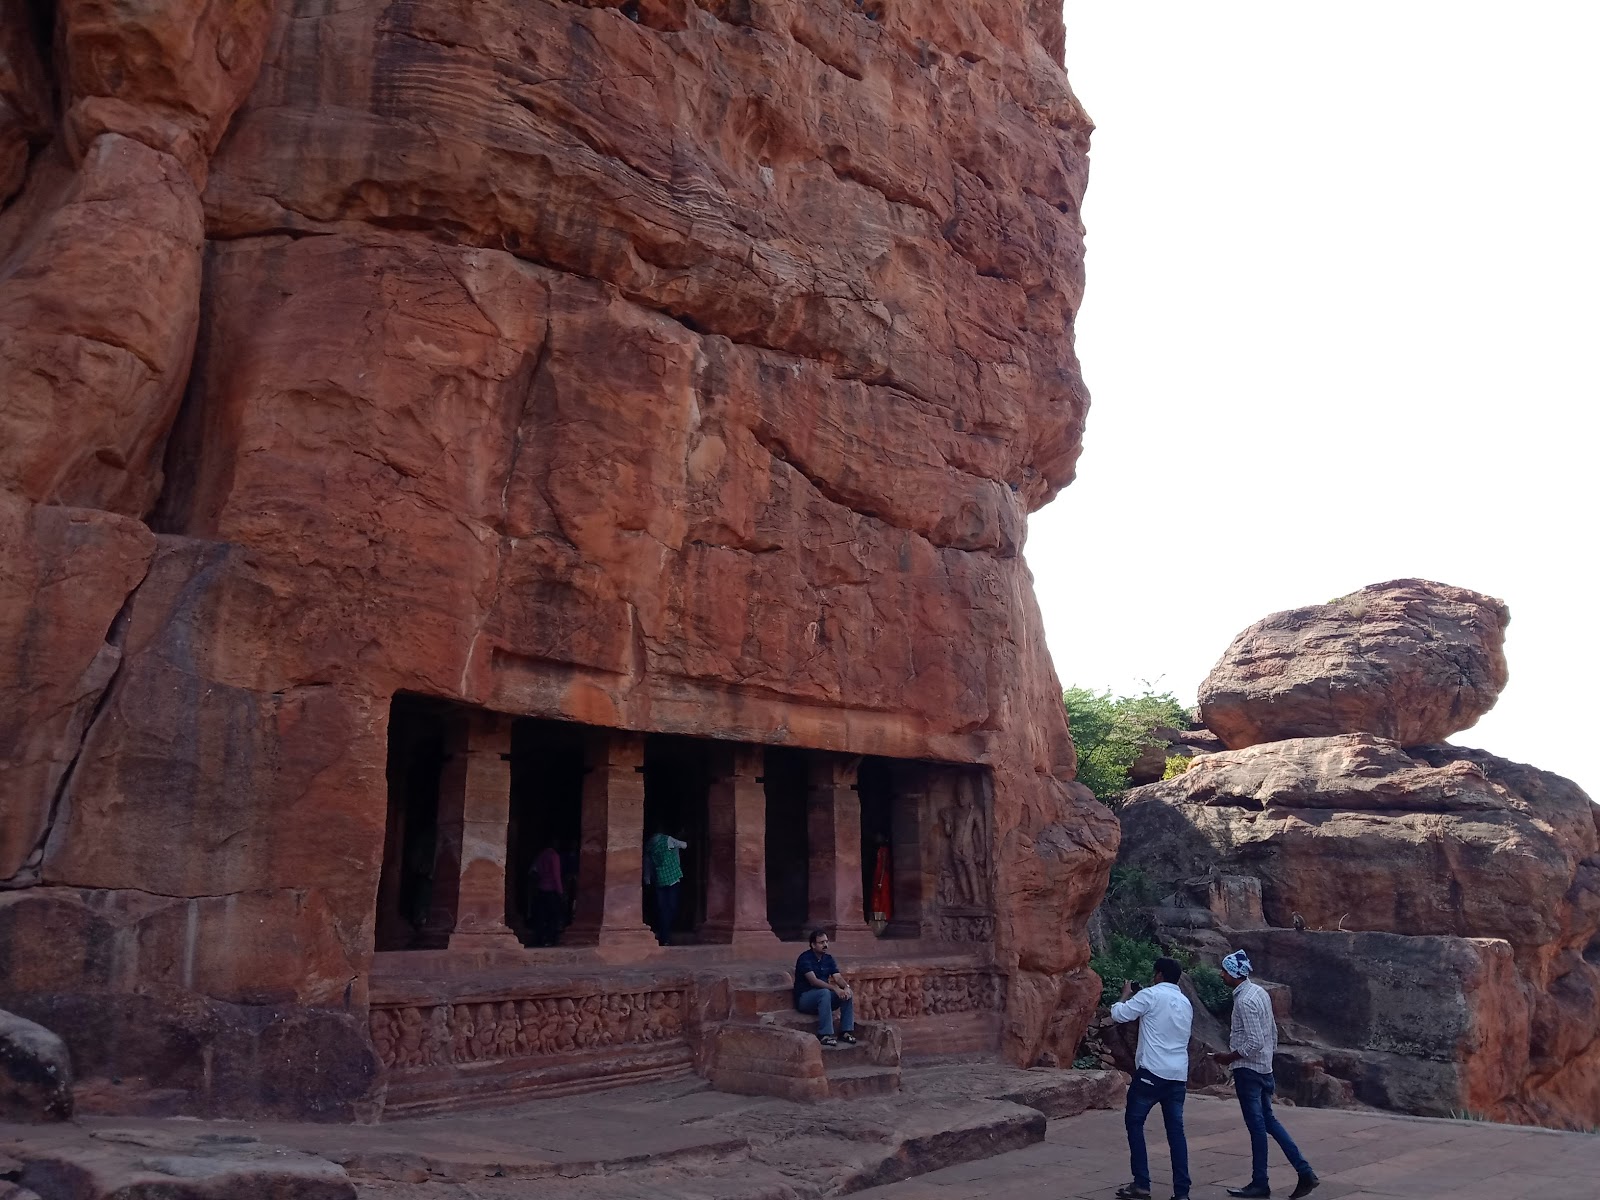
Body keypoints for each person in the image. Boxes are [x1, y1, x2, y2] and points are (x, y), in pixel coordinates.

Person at [1211, 950, 1319, 1199]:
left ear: (1235, 974)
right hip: (1263, 1069)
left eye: (1225, 971)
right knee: (1269, 1122)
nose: (1222, 975)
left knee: (1257, 1127)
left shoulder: (1245, 1001)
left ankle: (1261, 1182)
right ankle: (1304, 1172)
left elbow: (1255, 1042)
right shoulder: (1259, 992)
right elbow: (1271, 1032)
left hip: (1249, 1071)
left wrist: (1228, 1057)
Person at [1109, 956, 1193, 1200]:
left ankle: (1142, 1182)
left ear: (1159, 975)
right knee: (1176, 1132)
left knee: (1134, 1123)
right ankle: (1182, 1191)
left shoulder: (1150, 995)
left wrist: (1125, 994)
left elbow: (1119, 1015)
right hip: (1177, 1075)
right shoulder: (1185, 1002)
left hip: (1152, 1073)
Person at [793, 929, 856, 1047]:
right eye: (821, 942)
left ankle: (846, 1031)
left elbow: (837, 977)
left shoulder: (828, 958)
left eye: (826, 942)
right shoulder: (805, 958)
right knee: (824, 993)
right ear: (813, 945)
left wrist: (846, 987)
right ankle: (825, 1035)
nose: (825, 945)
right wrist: (834, 988)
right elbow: (813, 981)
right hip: (805, 999)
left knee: (848, 994)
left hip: (824, 999)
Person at [645, 827, 688, 945]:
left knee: (662, 909)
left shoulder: (649, 845)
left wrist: (647, 880)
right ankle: (665, 935)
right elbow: (684, 845)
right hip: (673, 878)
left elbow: (647, 864)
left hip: (659, 879)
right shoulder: (667, 839)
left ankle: (664, 936)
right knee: (671, 909)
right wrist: (678, 839)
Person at [528, 843, 564, 946]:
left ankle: (539, 939)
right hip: (552, 889)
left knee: (541, 916)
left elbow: (534, 871)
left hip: (541, 888)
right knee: (553, 916)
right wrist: (560, 891)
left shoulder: (541, 855)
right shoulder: (554, 855)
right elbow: (556, 874)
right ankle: (551, 939)